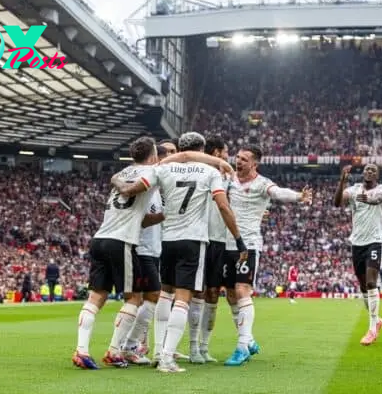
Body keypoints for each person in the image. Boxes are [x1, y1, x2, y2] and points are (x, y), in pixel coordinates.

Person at [112, 132, 247, 373]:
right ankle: (166, 358)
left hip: (168, 240)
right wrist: (238, 238)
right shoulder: (211, 173)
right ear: (202, 149)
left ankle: (157, 350)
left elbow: (135, 189)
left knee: (165, 295)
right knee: (183, 299)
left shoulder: (162, 170)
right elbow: (224, 207)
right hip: (193, 241)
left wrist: (117, 181)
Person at [72, 136, 161, 370]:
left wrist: (164, 216)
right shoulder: (151, 172)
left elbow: (139, 215)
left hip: (100, 239)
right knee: (134, 298)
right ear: (153, 155)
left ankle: (81, 351)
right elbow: (132, 192)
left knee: (96, 297)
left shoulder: (121, 172)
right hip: (121, 242)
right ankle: (114, 351)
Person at [222, 144, 313, 366]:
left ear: (255, 163)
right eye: (238, 157)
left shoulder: (262, 184)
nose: (239, 161)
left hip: (249, 245)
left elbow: (278, 192)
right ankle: (249, 339)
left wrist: (299, 197)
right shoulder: (228, 180)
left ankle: (242, 347)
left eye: (244, 159)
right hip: (226, 243)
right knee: (231, 294)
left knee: (243, 290)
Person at [333, 164, 382, 346]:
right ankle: (377, 320)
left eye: (373, 170)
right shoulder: (354, 189)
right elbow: (337, 203)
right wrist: (342, 180)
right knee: (364, 287)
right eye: (366, 170)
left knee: (372, 282)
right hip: (357, 242)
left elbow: (381, 198)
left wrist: (369, 200)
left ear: (377, 175)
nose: (369, 172)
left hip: (375, 240)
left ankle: (372, 329)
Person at [121, 145, 167, 365]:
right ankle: (126, 346)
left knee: (140, 299)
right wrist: (166, 215)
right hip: (140, 248)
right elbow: (140, 218)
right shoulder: (147, 181)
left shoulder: (154, 186)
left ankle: (128, 346)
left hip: (151, 249)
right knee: (147, 297)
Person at [187, 135, 229, 363]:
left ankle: (204, 347)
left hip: (220, 240)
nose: (227, 157)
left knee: (213, 293)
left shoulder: (227, 176)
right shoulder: (201, 173)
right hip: (200, 238)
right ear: (215, 153)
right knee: (197, 291)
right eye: (225, 152)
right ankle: (193, 347)